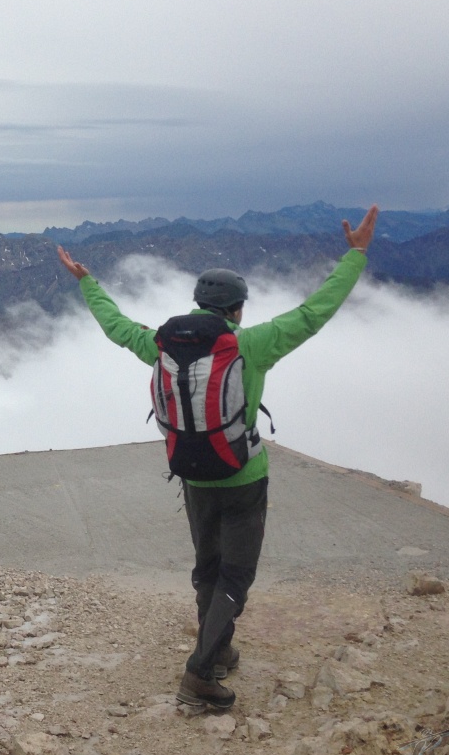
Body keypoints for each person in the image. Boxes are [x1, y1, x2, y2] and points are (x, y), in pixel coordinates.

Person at [57, 205, 379, 709]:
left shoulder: (160, 344)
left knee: (207, 568)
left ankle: (220, 649)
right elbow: (315, 312)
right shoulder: (251, 344)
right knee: (235, 575)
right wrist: (355, 255)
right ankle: (199, 673)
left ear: (197, 304)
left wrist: (87, 282)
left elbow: (116, 327)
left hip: (191, 473)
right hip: (243, 475)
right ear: (238, 308)